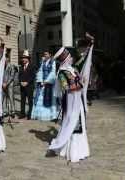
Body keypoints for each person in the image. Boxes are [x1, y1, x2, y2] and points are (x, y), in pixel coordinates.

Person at [46, 33, 94, 163]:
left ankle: (81, 150)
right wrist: (80, 84)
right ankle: (72, 151)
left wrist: (90, 46)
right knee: (73, 126)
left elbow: (82, 62)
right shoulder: (61, 73)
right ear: (65, 59)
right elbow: (66, 88)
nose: (71, 58)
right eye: (69, 56)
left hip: (77, 103)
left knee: (78, 126)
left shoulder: (71, 70)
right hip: (70, 104)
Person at [31, 51, 58, 121]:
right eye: (44, 54)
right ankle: (42, 115)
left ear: (50, 54)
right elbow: (40, 71)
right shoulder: (42, 62)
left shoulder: (53, 61)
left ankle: (51, 116)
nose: (45, 55)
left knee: (50, 98)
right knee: (40, 98)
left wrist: (46, 81)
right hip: (42, 82)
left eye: (46, 54)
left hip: (49, 83)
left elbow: (53, 72)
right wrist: (41, 80)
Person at [19, 50, 36, 120]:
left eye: (25, 58)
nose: (23, 59)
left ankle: (29, 114)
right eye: (23, 58)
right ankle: (22, 114)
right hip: (22, 86)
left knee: (30, 101)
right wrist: (20, 82)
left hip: (29, 86)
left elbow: (33, 76)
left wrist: (27, 82)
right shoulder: (21, 66)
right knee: (22, 101)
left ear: (28, 58)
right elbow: (19, 75)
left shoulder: (32, 66)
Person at [2, 54, 17, 118]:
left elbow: (12, 76)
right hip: (3, 85)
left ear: (8, 59)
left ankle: (13, 111)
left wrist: (6, 83)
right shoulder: (2, 66)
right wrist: (2, 83)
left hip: (9, 84)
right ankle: (5, 111)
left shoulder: (11, 66)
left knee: (11, 97)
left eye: (5, 58)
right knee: (4, 98)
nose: (4, 60)